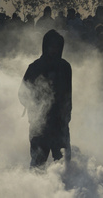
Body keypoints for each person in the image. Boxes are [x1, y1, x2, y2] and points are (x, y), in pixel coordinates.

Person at [19, 30, 72, 167]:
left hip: (59, 124)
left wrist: (66, 116)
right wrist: (35, 108)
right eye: (51, 46)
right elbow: (23, 93)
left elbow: (68, 95)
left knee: (62, 164)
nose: (54, 49)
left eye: (57, 46)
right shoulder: (35, 67)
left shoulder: (65, 67)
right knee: (38, 163)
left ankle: (65, 187)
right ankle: (34, 188)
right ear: (45, 46)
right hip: (39, 125)